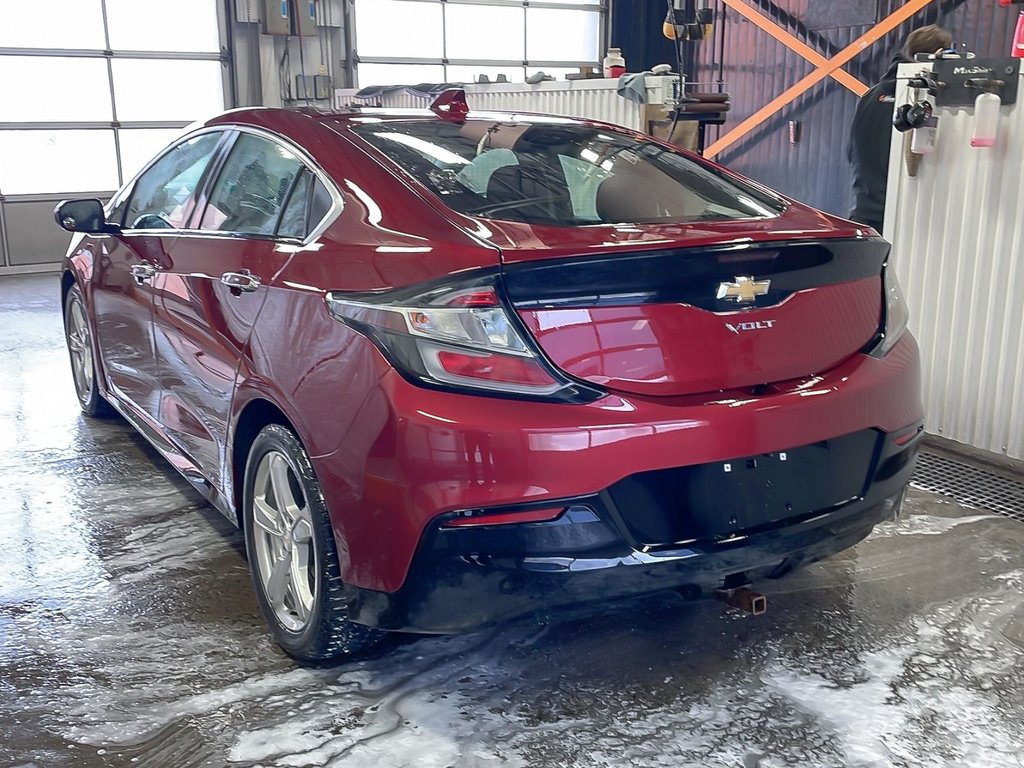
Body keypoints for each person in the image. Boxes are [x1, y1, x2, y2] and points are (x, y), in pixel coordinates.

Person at [848, 24, 954, 234]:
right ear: (938, 55)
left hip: (863, 214)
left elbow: (851, 152)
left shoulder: (870, 95)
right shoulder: (926, 98)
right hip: (901, 219)